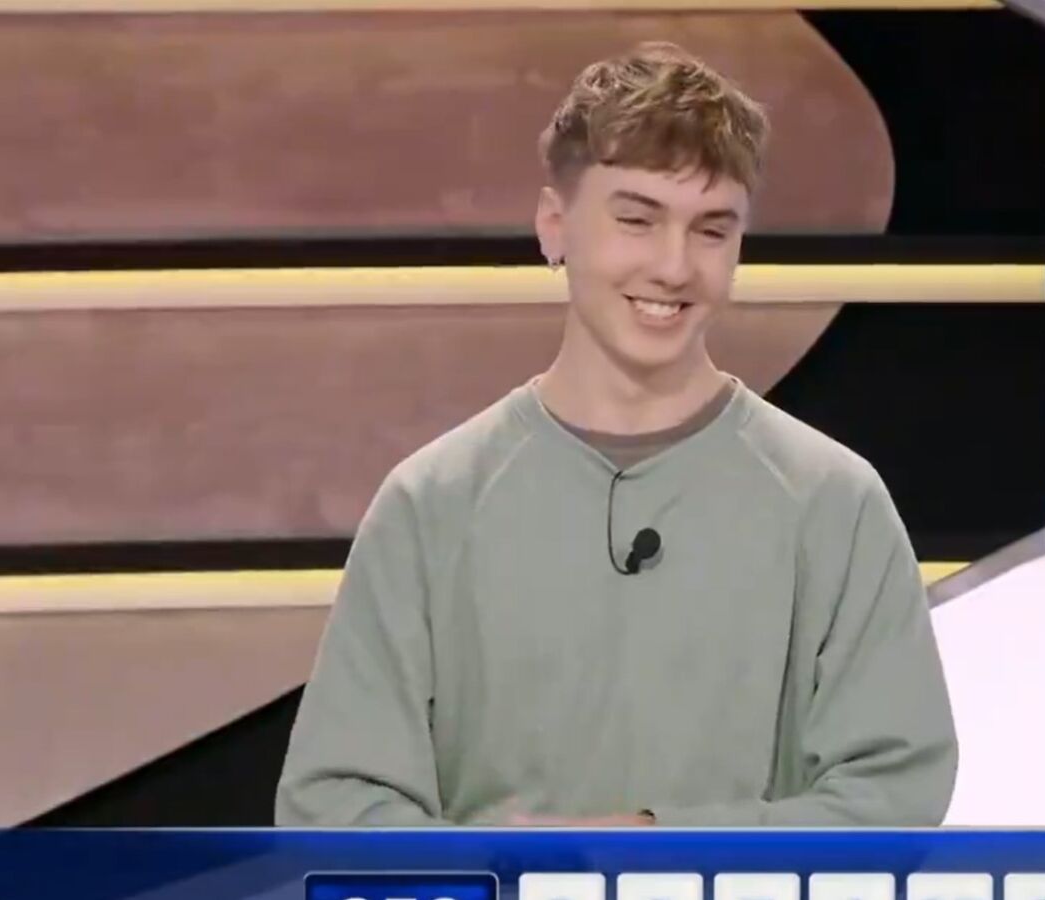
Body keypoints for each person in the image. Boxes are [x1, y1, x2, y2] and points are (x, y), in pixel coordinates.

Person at [274, 40, 957, 827]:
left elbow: (892, 799)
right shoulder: (431, 505)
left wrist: (652, 847)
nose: (674, 266)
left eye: (711, 231)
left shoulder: (835, 505)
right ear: (554, 225)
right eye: (637, 220)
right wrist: (519, 870)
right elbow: (335, 808)